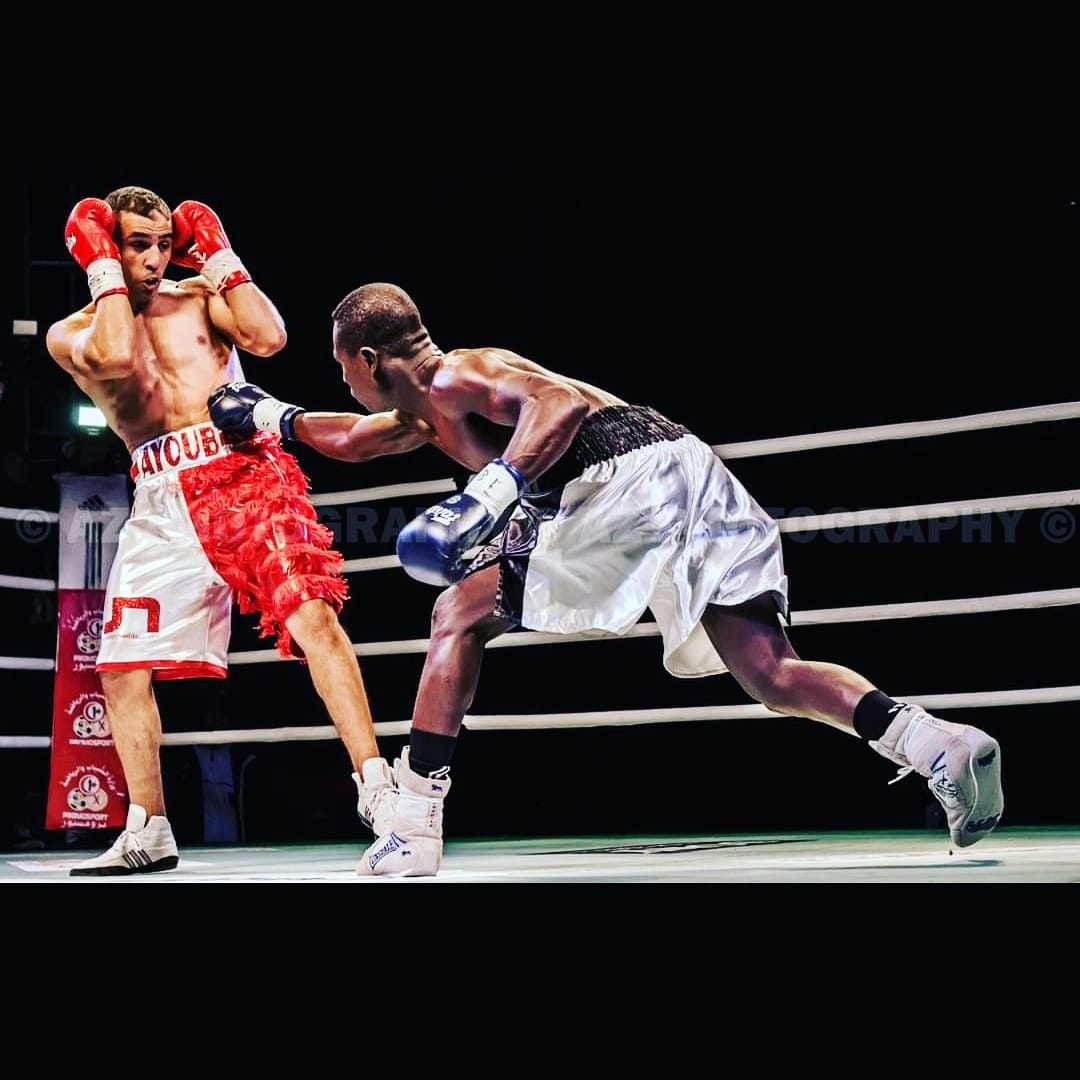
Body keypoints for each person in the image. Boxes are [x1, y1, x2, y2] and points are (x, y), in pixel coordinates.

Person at [209, 281, 1005, 878]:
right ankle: (936, 743)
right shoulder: (423, 414)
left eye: (342, 367)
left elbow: (551, 403)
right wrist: (269, 416)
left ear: (369, 359)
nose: (343, 381)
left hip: (617, 475)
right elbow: (348, 435)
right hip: (686, 469)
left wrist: (489, 492)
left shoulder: (461, 375)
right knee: (768, 670)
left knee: (458, 611)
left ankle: (413, 823)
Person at [46, 193, 430, 875]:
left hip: (242, 471)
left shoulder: (197, 296)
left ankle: (379, 791)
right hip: (158, 500)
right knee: (121, 669)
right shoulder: (69, 331)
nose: (155, 257)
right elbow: (111, 352)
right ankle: (148, 828)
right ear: (103, 242)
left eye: (165, 242)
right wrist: (104, 266)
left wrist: (217, 250)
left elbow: (268, 337)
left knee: (313, 615)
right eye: (137, 243)